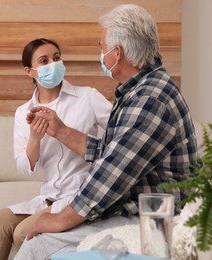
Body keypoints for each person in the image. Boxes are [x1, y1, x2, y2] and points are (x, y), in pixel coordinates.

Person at [13, 4, 199, 260]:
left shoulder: (150, 99)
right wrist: (62, 131)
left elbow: (111, 175)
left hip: (155, 217)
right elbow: (111, 152)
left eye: (102, 48)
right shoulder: (138, 90)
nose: (101, 54)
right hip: (133, 204)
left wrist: (58, 220)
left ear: (117, 53)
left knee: (37, 245)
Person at [0, 38, 112, 260]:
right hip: (49, 195)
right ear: (29, 71)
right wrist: (35, 138)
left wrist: (65, 131)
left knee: (23, 233)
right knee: (0, 220)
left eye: (56, 58)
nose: (53, 63)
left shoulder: (88, 97)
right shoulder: (24, 112)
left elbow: (122, 135)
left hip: (80, 194)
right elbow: (26, 168)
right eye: (44, 61)